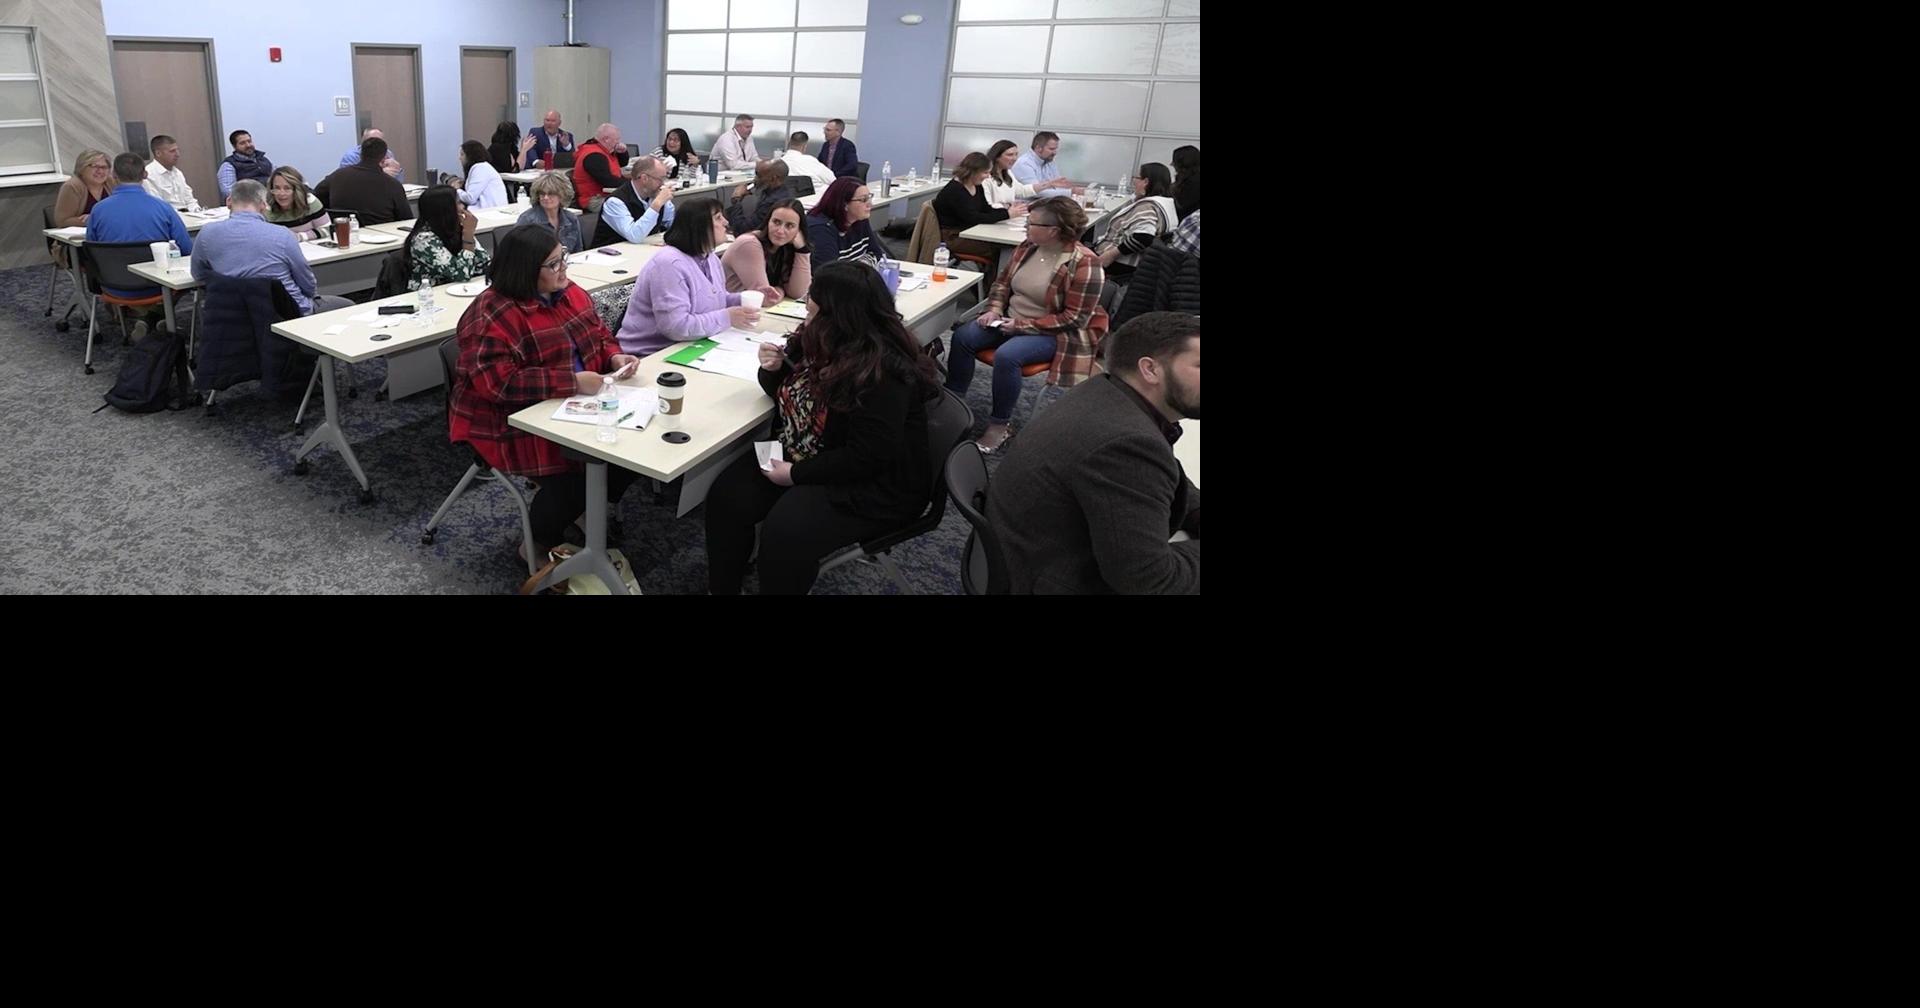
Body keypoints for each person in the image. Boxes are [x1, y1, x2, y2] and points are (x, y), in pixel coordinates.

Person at [705, 261, 942, 595]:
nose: (806, 319)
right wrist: (772, 369)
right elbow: (787, 392)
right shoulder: (818, 338)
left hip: (871, 481)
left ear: (840, 319)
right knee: (727, 497)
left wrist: (795, 474)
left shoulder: (882, 372)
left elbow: (868, 456)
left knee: (787, 531)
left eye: (813, 312)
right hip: (808, 449)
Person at [450, 225, 642, 559]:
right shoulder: (491, 313)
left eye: (563, 257)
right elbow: (499, 384)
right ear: (525, 270)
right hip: (507, 417)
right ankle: (537, 543)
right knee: (578, 474)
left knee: (632, 453)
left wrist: (614, 356)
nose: (563, 267)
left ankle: (580, 506)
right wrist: (572, 382)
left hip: (579, 402)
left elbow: (600, 334)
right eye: (553, 264)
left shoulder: (569, 292)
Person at [987, 312, 1199, 594]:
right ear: (1150, 369)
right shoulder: (1128, 444)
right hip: (1049, 579)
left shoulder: (1106, 392)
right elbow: (1151, 581)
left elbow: (1166, 475)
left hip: (1026, 552)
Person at [942, 195, 1107, 455]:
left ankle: (1000, 425)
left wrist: (1021, 325)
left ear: (1053, 230)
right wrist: (994, 309)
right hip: (1010, 319)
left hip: (1055, 332)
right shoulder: (1028, 247)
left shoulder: (1085, 263)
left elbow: (1075, 318)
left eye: (1032, 223)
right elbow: (1002, 284)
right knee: (963, 337)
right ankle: (953, 401)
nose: (1026, 226)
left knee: (1008, 356)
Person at [615, 196, 759, 357]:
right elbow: (676, 327)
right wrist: (728, 317)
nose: (726, 222)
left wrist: (744, 300)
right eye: (718, 217)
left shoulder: (709, 257)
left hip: (687, 346)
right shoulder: (669, 264)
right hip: (647, 355)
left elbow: (716, 300)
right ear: (699, 225)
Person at [190, 179, 353, 316]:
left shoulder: (206, 234)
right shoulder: (283, 235)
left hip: (232, 315)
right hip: (286, 313)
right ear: (263, 205)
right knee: (349, 307)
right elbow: (307, 283)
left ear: (228, 201)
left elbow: (198, 274)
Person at [84, 152, 194, 335]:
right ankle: (156, 316)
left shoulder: (98, 210)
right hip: (157, 285)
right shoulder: (163, 208)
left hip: (111, 284)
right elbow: (186, 249)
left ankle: (149, 318)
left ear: (114, 175)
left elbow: (91, 249)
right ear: (145, 174)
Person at [933, 151, 1024, 261]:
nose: (988, 176)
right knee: (1001, 248)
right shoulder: (954, 191)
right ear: (973, 172)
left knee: (1003, 245)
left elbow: (985, 209)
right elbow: (973, 218)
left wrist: (1007, 212)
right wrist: (1007, 214)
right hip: (954, 237)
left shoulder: (976, 186)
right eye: (985, 172)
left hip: (969, 231)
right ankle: (996, 272)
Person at [1092, 163, 1176, 281]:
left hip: (1120, 263)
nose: (1133, 182)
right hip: (1142, 264)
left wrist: (1110, 255)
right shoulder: (1166, 203)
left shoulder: (1147, 206)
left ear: (1145, 182)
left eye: (1136, 178)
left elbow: (1143, 237)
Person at [722, 198, 811, 306]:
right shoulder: (749, 244)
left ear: (799, 230)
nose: (780, 231)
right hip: (729, 310)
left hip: (754, 311)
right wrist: (782, 289)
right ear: (768, 221)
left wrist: (802, 251)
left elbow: (797, 293)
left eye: (789, 226)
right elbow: (765, 298)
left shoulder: (786, 248)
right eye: (776, 222)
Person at [314, 136, 413, 224]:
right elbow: (406, 218)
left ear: (361, 154)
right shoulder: (392, 184)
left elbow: (316, 197)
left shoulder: (337, 176)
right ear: (384, 159)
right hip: (383, 234)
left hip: (345, 232)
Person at [408, 186, 489, 290]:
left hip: (457, 288)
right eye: (458, 203)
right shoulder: (423, 240)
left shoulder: (457, 228)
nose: (463, 207)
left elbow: (485, 263)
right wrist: (468, 236)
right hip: (430, 293)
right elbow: (461, 275)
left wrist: (468, 234)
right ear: (446, 210)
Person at [805, 176, 890, 272]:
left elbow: (875, 252)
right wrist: (858, 272)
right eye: (863, 200)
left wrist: (860, 269)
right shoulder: (821, 229)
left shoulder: (859, 219)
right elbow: (828, 272)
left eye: (869, 197)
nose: (870, 204)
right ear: (844, 204)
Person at [592, 155, 676, 248]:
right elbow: (634, 236)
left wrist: (665, 203)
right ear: (644, 178)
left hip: (643, 249)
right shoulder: (615, 202)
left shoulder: (654, 194)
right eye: (660, 179)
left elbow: (671, 225)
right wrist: (657, 205)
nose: (663, 183)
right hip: (612, 253)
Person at [515, 172, 584, 253]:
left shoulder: (571, 219)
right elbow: (517, 253)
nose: (546, 197)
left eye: (551, 194)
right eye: (542, 194)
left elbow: (578, 251)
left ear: (563, 195)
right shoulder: (527, 220)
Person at [723, 158, 794, 237]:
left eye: (759, 176)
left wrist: (736, 199)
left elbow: (741, 230)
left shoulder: (772, 202)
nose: (755, 179)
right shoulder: (775, 192)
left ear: (773, 179)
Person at [569, 122, 629, 209]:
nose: (618, 142)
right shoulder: (594, 156)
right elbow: (608, 181)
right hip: (593, 199)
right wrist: (632, 184)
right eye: (616, 139)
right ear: (606, 139)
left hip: (605, 195)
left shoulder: (604, 150)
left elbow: (622, 163)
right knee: (632, 205)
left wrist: (622, 152)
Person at [1010, 131, 1086, 199]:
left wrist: (1073, 189)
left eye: (1056, 149)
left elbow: (1059, 185)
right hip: (1027, 206)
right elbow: (1036, 192)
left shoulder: (1049, 161)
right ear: (1038, 148)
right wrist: (1071, 192)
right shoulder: (1024, 164)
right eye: (1051, 149)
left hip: (1046, 204)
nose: (1055, 152)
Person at [265, 166, 330, 240]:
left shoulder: (309, 201)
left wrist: (299, 237)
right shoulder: (266, 207)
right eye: (277, 188)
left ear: (297, 190)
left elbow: (326, 229)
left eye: (287, 188)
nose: (281, 193)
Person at [54, 148, 113, 228]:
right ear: (81, 168)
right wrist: (92, 220)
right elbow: (62, 221)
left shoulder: (111, 182)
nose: (100, 171)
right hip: (82, 234)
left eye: (104, 167)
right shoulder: (72, 186)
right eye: (94, 166)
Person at [141, 135, 199, 212]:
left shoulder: (177, 173)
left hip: (189, 215)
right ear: (158, 153)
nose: (177, 154)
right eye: (172, 151)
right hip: (169, 217)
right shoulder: (149, 175)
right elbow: (158, 207)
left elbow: (190, 200)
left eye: (177, 150)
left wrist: (197, 210)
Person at [982, 139, 1042, 210]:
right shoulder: (986, 177)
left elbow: (1021, 190)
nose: (1014, 158)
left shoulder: (1008, 173)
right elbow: (987, 205)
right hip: (998, 215)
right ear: (997, 157)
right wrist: (1009, 206)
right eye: (1010, 155)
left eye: (1016, 154)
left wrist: (1048, 185)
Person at [216, 129, 273, 199]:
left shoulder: (264, 159)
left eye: (249, 141)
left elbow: (276, 178)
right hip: (249, 202)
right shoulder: (229, 165)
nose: (248, 145)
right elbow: (228, 192)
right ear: (234, 146)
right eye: (242, 143)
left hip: (271, 199)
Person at [452, 140, 508, 209]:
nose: (460, 158)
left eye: (462, 154)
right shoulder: (482, 167)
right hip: (490, 209)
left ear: (470, 155)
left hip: (490, 211)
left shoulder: (480, 168)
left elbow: (470, 198)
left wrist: (456, 189)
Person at [339, 127, 404, 182]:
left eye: (379, 141)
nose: (376, 144)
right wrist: (380, 173)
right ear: (363, 142)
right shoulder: (351, 156)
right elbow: (348, 180)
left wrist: (398, 170)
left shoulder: (388, 153)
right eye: (372, 141)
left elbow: (397, 181)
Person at [1170, 144, 1200, 221]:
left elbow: (1181, 206)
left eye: (1174, 162)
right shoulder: (1187, 179)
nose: (1172, 164)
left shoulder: (1193, 183)